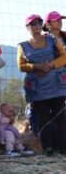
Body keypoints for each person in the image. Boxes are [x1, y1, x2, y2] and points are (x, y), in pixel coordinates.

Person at [17, 13, 66, 156]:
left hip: (56, 85)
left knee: (60, 115)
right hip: (37, 87)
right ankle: (48, 147)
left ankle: (63, 146)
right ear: (27, 27)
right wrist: (36, 66)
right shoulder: (22, 46)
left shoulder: (52, 40)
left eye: (39, 22)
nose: (37, 26)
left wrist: (51, 65)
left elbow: (64, 56)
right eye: (33, 24)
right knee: (43, 117)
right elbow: (21, 65)